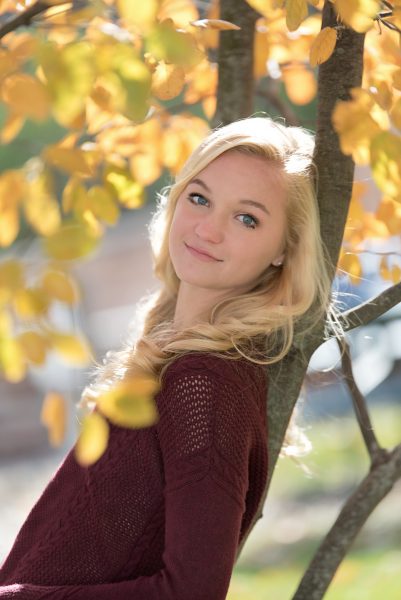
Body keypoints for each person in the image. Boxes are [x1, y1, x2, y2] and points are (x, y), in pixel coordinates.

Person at [0, 116, 332, 599]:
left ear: (285, 249)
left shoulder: (206, 382)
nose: (207, 229)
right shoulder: (175, 355)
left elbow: (192, 592)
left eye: (247, 218)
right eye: (199, 198)